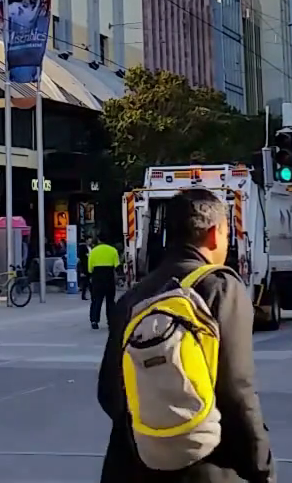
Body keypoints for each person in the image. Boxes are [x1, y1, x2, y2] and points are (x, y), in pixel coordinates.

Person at [95, 189, 273, 483]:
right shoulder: (220, 288)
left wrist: (155, 434)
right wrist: (261, 467)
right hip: (203, 467)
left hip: (129, 465)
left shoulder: (132, 298)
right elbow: (236, 392)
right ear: (214, 234)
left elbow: (108, 392)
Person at [86, 235, 120, 330]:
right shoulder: (113, 250)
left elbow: (90, 269)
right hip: (109, 278)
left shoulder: (93, 251)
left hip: (97, 278)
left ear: (98, 240)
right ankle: (111, 320)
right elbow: (117, 266)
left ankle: (94, 320)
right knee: (110, 301)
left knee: (96, 300)